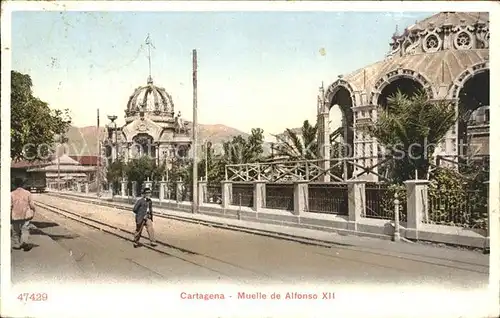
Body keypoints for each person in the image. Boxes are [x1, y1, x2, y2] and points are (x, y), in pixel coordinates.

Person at [11, 178, 36, 251]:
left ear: (14, 185)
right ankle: (24, 243)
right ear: (23, 184)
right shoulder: (28, 193)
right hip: (26, 215)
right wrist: (33, 210)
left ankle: (17, 244)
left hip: (15, 215)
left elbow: (10, 206)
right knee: (25, 229)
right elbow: (32, 205)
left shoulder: (11, 194)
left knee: (15, 230)